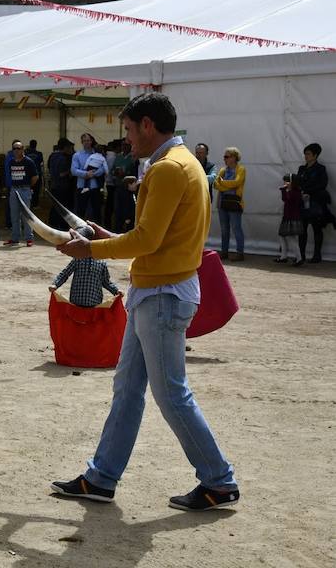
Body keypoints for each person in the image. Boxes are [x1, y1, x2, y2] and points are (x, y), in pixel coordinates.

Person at [51, 92, 239, 512]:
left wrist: (91, 249)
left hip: (162, 294)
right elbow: (157, 237)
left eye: (130, 130)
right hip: (159, 291)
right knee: (128, 388)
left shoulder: (168, 168)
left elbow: (148, 240)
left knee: (170, 393)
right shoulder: (183, 163)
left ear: (149, 125)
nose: (127, 139)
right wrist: (109, 239)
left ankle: (219, 480)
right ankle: (101, 477)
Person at [296, 143, 332, 264]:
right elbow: (297, 183)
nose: (306, 156)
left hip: (316, 202)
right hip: (303, 202)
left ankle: (317, 255)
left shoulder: (320, 169)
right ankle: (301, 255)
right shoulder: (302, 169)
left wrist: (308, 191)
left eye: (308, 154)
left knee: (317, 228)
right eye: (305, 154)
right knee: (302, 229)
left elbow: (322, 184)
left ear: (315, 155)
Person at [49, 252, 121, 308]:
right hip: (76, 303)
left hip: (95, 304)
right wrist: (55, 285)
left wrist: (116, 291)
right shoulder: (77, 259)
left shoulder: (102, 263)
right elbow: (65, 274)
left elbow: (106, 282)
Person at [214, 147, 247, 261]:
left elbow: (237, 182)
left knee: (236, 228)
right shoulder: (223, 170)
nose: (224, 159)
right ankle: (224, 252)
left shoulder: (241, 169)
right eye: (224, 157)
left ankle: (240, 253)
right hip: (222, 203)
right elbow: (216, 184)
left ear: (234, 157)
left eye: (226, 157)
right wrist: (228, 186)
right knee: (224, 229)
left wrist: (223, 184)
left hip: (234, 203)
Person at [4, 140, 39, 246]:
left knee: (26, 215)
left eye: (18, 148)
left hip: (25, 189)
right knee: (14, 215)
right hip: (14, 189)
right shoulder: (11, 162)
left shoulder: (29, 161)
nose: (16, 150)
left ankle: (29, 238)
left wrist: (27, 186)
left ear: (23, 149)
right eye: (14, 148)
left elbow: (35, 177)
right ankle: (15, 238)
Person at [72, 134, 107, 222]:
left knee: (97, 212)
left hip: (95, 187)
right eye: (84, 141)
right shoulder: (77, 155)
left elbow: (103, 168)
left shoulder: (98, 154)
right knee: (80, 211)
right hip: (82, 186)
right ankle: (80, 228)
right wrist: (86, 174)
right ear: (82, 142)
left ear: (91, 141)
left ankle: (97, 228)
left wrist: (94, 174)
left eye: (88, 140)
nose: (86, 142)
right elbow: (73, 170)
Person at [47, 138, 76, 231]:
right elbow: (61, 174)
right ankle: (62, 226)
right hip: (62, 186)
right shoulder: (63, 159)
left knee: (55, 206)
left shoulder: (52, 156)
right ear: (65, 147)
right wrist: (70, 172)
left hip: (54, 185)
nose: (70, 150)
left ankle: (53, 223)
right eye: (69, 147)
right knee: (63, 207)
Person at [275, 174, 303, 265]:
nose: (284, 183)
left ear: (291, 182)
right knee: (282, 235)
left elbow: (286, 199)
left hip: (292, 217)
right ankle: (284, 256)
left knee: (291, 238)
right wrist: (285, 190)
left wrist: (284, 190)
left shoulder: (295, 192)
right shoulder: (294, 191)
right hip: (288, 217)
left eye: (286, 181)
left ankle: (299, 258)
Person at [24, 139, 44, 209]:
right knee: (36, 190)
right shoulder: (39, 153)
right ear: (36, 145)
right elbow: (41, 161)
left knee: (28, 189)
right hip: (36, 174)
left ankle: (28, 203)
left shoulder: (26, 153)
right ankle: (35, 205)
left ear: (30, 145)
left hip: (28, 174)